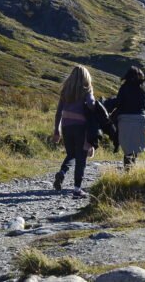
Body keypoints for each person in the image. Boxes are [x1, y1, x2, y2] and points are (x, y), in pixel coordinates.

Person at [52, 65, 95, 196]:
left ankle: (62, 172)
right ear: (86, 77)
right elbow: (92, 105)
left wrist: (57, 131)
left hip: (66, 126)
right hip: (80, 127)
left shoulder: (65, 91)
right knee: (81, 157)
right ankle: (77, 189)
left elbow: (58, 112)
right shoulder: (86, 90)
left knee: (71, 154)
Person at [113, 66, 145, 168]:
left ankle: (127, 169)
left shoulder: (124, 88)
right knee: (135, 147)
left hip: (124, 119)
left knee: (127, 148)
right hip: (140, 120)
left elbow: (118, 103)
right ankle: (132, 168)